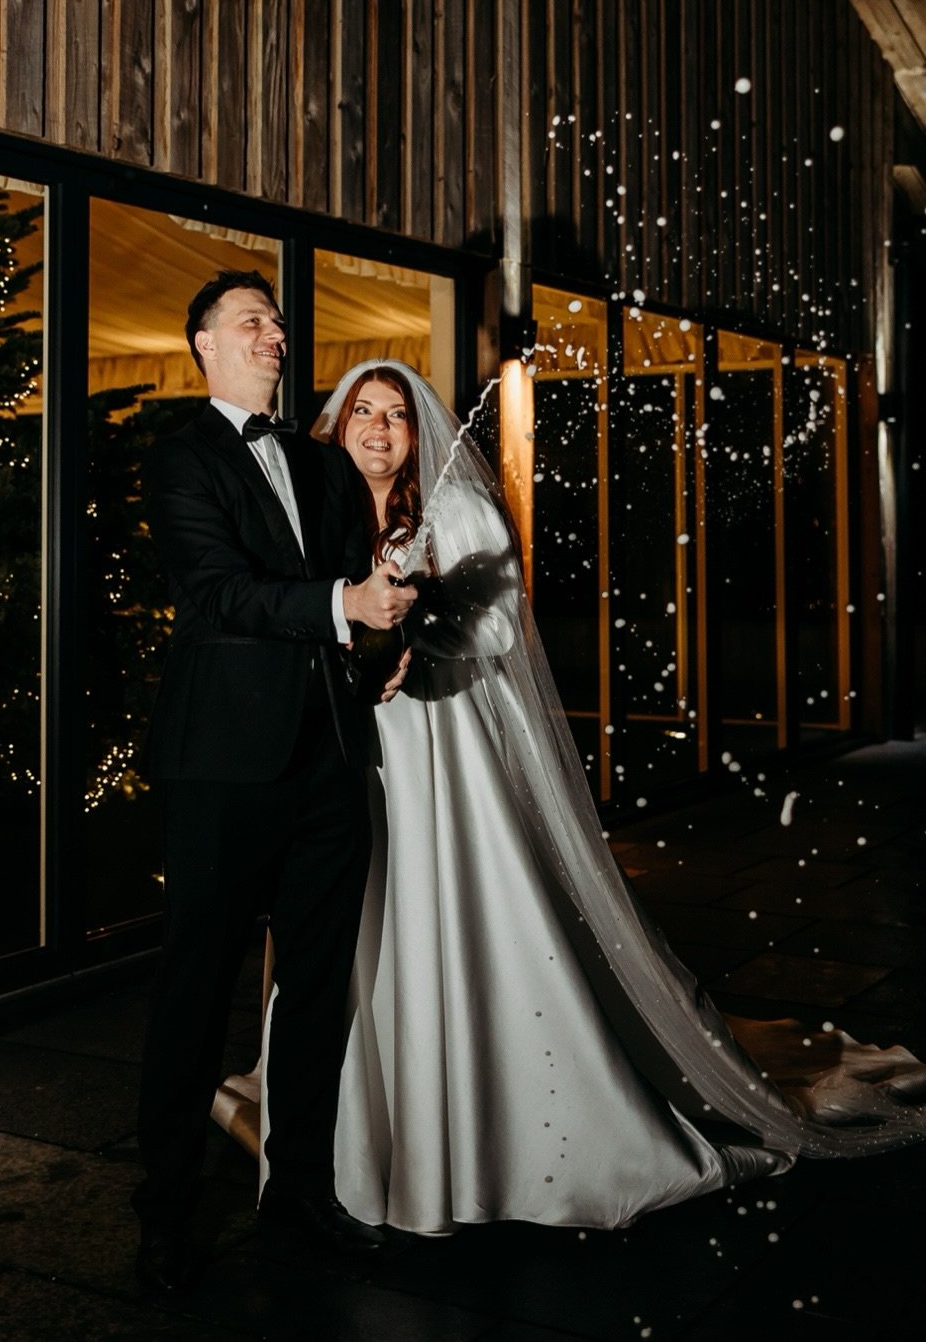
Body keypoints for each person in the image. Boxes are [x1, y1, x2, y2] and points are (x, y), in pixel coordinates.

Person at [289, 359, 926, 1236]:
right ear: (339, 424)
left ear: (417, 431)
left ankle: (475, 1111)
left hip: (439, 739)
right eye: (363, 411)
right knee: (361, 914)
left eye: (396, 414)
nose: (379, 428)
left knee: (444, 905)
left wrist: (413, 623)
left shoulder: (452, 508)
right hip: (358, 746)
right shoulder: (323, 512)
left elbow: (499, 625)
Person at [132, 275, 416, 1291]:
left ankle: (301, 1190)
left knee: (315, 992)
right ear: (204, 343)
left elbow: (350, 594)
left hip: (330, 762)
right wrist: (345, 604)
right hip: (220, 765)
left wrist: (384, 647)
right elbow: (216, 593)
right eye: (251, 319)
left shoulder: (323, 463)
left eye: (278, 321)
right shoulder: (180, 457)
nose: (274, 332)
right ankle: (166, 1215)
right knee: (197, 990)